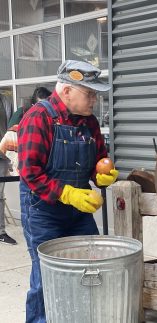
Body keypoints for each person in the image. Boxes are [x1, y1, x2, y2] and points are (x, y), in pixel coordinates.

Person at [18, 60, 119, 323]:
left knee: (91, 269)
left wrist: (103, 176)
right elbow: (30, 173)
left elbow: (98, 163)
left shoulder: (90, 123)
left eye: (95, 94)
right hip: (43, 213)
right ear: (66, 92)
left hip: (77, 215)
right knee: (46, 279)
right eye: (89, 93)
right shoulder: (38, 118)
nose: (94, 100)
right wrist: (68, 193)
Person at [0, 93, 17, 245]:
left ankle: (1, 232)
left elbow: (11, 128)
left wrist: (12, 156)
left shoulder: (4, 100)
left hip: (2, 155)